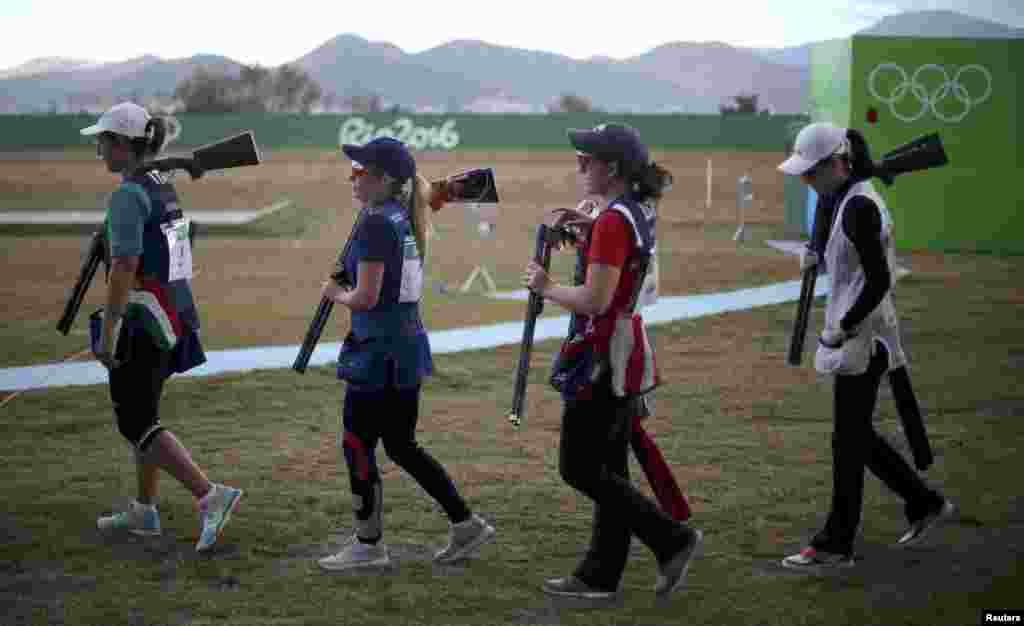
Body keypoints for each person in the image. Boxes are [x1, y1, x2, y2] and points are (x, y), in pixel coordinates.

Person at [524, 123, 702, 599]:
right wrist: (590, 232)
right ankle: (600, 575)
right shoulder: (634, 210)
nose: (579, 167)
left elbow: (596, 299)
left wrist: (546, 287)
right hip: (627, 348)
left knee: (579, 468)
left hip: (603, 353)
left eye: (588, 160)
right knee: (610, 467)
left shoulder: (614, 220)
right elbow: (621, 263)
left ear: (615, 169)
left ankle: (672, 539)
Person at [777, 122, 954, 571]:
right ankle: (922, 501)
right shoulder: (848, 198)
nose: (806, 182)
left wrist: (844, 327)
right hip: (867, 330)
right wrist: (814, 249)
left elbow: (879, 280)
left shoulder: (858, 206)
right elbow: (842, 241)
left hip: (862, 334)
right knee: (853, 436)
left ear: (838, 163)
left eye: (811, 173)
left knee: (847, 442)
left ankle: (837, 542)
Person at [317, 137, 495, 571]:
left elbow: (366, 296)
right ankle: (465, 523)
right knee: (401, 445)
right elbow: (430, 194)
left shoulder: (378, 222)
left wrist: (336, 293)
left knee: (358, 444)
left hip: (378, 353)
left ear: (384, 179)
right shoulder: (401, 214)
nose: (352, 178)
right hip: (405, 346)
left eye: (360, 172)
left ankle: (368, 545)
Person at [82, 102, 243, 552]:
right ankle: (144, 510)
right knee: (145, 416)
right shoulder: (159, 185)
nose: (98, 149)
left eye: (104, 141)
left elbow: (123, 266)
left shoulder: (130, 194)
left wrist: (109, 330)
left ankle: (211, 496)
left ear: (123, 145)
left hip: (142, 319)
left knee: (134, 422)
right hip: (172, 314)